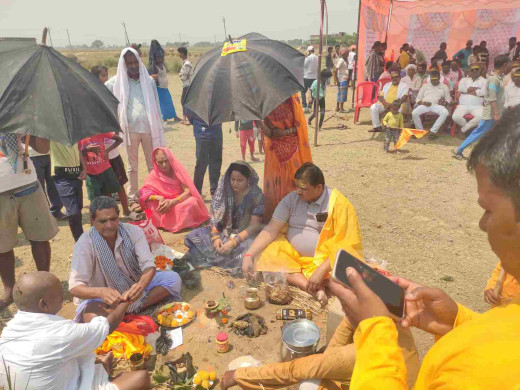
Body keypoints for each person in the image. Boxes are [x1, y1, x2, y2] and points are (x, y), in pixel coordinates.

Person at [329, 107, 520, 389]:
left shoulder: (476, 371)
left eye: (488, 210)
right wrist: (458, 322)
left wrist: (374, 331)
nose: (482, 224)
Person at [0, 271, 151, 390]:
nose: (63, 297)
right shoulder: (61, 333)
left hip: (54, 380)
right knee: (141, 378)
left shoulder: (10, 331)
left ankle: (100, 368)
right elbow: (106, 326)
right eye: (59, 294)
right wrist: (126, 302)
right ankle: (99, 371)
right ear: (44, 304)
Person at [243, 163, 363, 307]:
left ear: (319, 187)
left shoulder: (339, 204)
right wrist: (248, 255)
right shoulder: (291, 198)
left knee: (350, 272)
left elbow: (346, 243)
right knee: (268, 253)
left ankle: (320, 282)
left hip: (325, 261)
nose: (298, 192)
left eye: (303, 189)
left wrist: (321, 270)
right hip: (292, 256)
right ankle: (311, 286)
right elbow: (272, 229)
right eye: (297, 187)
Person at [221, 316, 419, 390]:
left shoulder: (362, 353)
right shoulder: (393, 325)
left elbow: (294, 370)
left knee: (308, 384)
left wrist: (239, 375)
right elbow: (348, 323)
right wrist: (326, 360)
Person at [69, 196, 182, 322]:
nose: (109, 225)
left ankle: (122, 311)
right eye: (102, 221)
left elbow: (148, 265)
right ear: (92, 221)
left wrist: (140, 286)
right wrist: (101, 292)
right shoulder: (84, 243)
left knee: (173, 279)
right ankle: (127, 309)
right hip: (102, 296)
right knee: (92, 317)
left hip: (132, 287)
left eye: (113, 219)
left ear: (119, 217)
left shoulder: (133, 232)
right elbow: (75, 287)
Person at [0, 135, 58, 311]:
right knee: (2, 246)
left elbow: (43, 148)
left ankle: (44, 284)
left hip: (28, 184)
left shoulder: (18, 111)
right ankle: (9, 291)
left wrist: (31, 130)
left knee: (39, 238)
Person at [106, 48, 166, 204]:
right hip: (129, 130)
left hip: (148, 129)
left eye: (135, 62)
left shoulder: (149, 81)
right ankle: (133, 197)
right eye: (129, 63)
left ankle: (154, 193)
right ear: (124, 65)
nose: (133, 66)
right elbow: (102, 95)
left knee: (153, 164)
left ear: (139, 62)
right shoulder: (115, 82)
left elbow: (156, 104)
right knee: (132, 166)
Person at [185, 162, 263, 274]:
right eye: (233, 179)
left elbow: (255, 225)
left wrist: (234, 242)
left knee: (249, 249)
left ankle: (210, 258)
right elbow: (215, 219)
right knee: (198, 234)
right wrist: (216, 237)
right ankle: (212, 256)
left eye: (240, 180)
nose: (235, 183)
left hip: (244, 235)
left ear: (248, 180)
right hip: (224, 230)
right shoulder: (224, 190)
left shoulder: (257, 196)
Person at [259, 96, 312, 221]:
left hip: (293, 149)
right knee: (275, 185)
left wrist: (283, 133)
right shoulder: (263, 101)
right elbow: (269, 133)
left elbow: (299, 127)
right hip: (274, 152)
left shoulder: (291, 99)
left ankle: (297, 216)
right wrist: (258, 122)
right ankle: (277, 218)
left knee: (295, 182)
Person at [453, 54, 510, 159]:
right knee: (479, 132)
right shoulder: (493, 79)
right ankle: (459, 149)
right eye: (509, 64)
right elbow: (492, 97)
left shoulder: (497, 78)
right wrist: (496, 114)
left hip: (496, 111)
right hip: (491, 113)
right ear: (504, 65)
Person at [139, 147, 209, 233]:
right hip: (163, 205)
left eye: (166, 161)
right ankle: (163, 223)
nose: (164, 165)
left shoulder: (177, 171)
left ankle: (175, 223)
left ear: (170, 159)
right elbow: (143, 193)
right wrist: (159, 198)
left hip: (178, 202)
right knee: (149, 204)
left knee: (193, 202)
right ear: (155, 162)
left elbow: (187, 191)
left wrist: (174, 202)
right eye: (160, 162)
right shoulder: (153, 175)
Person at [79, 133, 136, 220]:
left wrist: (107, 150)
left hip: (106, 168)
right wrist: (86, 150)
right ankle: (95, 223)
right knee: (95, 200)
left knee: (111, 192)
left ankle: (118, 213)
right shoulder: (79, 138)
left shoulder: (101, 132)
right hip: (91, 173)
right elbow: (78, 153)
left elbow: (119, 139)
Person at [50, 141, 87, 241]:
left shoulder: (73, 131)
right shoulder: (52, 133)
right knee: (73, 212)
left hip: (76, 174)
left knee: (78, 208)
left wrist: (83, 168)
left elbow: (78, 149)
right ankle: (80, 243)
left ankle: (81, 243)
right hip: (62, 176)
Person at [186, 110, 223, 196]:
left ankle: (214, 190)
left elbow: (223, 113)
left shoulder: (219, 98)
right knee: (201, 163)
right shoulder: (196, 98)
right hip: (202, 134)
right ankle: (197, 192)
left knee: (216, 163)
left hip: (216, 133)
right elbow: (190, 114)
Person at [412, 70, 451, 140]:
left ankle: (433, 131)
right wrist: (422, 103)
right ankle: (420, 131)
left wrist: (444, 103)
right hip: (425, 105)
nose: (433, 81)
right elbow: (418, 99)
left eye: (435, 79)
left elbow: (448, 99)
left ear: (439, 78)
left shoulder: (444, 86)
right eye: (432, 79)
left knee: (445, 112)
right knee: (414, 113)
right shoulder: (425, 86)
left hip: (437, 105)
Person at [29, 145, 65, 220]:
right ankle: (44, 212)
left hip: (50, 153)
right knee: (39, 186)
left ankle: (56, 210)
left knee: (54, 183)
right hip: (32, 155)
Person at [148, 40, 181, 122]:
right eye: (158, 57)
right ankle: (164, 118)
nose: (160, 58)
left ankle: (174, 116)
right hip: (159, 88)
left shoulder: (162, 65)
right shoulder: (154, 67)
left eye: (161, 57)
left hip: (165, 87)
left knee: (169, 102)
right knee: (162, 104)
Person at [452, 64, 486, 134]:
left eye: (477, 69)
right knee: (455, 117)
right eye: (472, 70)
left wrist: (467, 91)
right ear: (469, 71)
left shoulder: (485, 81)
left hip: (477, 106)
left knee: (482, 117)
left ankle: (463, 130)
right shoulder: (464, 80)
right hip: (463, 105)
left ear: (480, 71)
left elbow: (484, 92)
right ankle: (469, 129)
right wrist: (475, 89)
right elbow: (461, 89)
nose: (474, 71)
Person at [178, 47, 194, 125]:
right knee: (184, 101)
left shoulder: (187, 64)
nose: (179, 55)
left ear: (183, 54)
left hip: (188, 84)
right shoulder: (184, 62)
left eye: (180, 53)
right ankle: (185, 118)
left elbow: (184, 77)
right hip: (186, 84)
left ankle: (188, 119)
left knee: (185, 101)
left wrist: (181, 75)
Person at [302, 46, 318, 112]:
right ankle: (310, 106)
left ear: (308, 51)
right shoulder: (317, 57)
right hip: (314, 77)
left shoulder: (308, 57)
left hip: (307, 76)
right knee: (312, 92)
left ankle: (304, 106)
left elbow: (304, 65)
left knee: (303, 91)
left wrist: (305, 57)